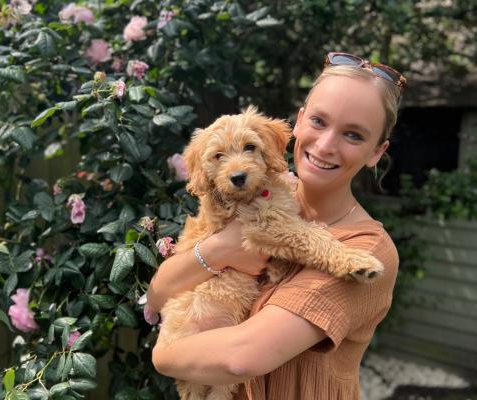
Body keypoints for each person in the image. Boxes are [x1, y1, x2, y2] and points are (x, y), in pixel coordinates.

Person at [147, 52, 405, 399]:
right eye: (318, 121)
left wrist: (164, 356)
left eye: (354, 135)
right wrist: (219, 248)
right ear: (298, 123)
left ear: (377, 151)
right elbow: (157, 294)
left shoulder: (366, 249)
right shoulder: (262, 194)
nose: (326, 145)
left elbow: (242, 358)